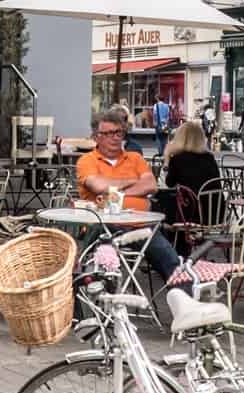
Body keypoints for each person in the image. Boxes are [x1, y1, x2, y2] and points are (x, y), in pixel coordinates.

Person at [76, 108, 189, 286]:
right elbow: (97, 186)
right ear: (96, 137)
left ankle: (185, 304)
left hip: (140, 226)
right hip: (103, 228)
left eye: (119, 132)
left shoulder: (135, 158)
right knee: (94, 266)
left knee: (174, 265)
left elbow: (150, 185)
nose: (115, 137)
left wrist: (114, 192)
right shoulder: (87, 160)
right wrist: (132, 180)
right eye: (109, 133)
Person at [163, 121, 224, 227]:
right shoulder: (209, 158)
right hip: (216, 211)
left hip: (191, 213)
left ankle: (173, 240)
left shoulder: (178, 159)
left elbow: (169, 184)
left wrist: (167, 159)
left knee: (163, 201)